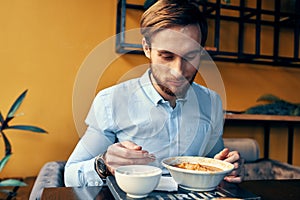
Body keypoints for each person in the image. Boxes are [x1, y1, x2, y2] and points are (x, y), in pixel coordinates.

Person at [64, 0, 242, 187]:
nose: (178, 70)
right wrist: (105, 163)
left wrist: (229, 167)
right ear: (147, 48)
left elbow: (216, 162)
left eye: (190, 56)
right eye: (167, 56)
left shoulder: (212, 102)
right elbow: (70, 175)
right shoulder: (110, 101)